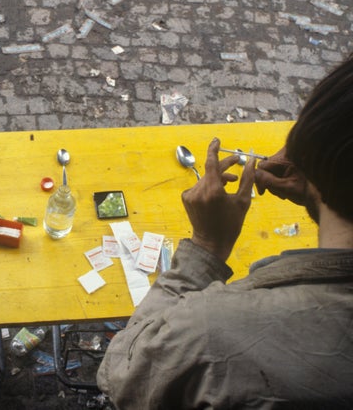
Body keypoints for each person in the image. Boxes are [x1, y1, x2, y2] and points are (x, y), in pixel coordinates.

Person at [97, 53, 353, 409]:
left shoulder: (214, 326)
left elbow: (122, 373)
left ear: (311, 151)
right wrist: (318, 188)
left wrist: (206, 246)